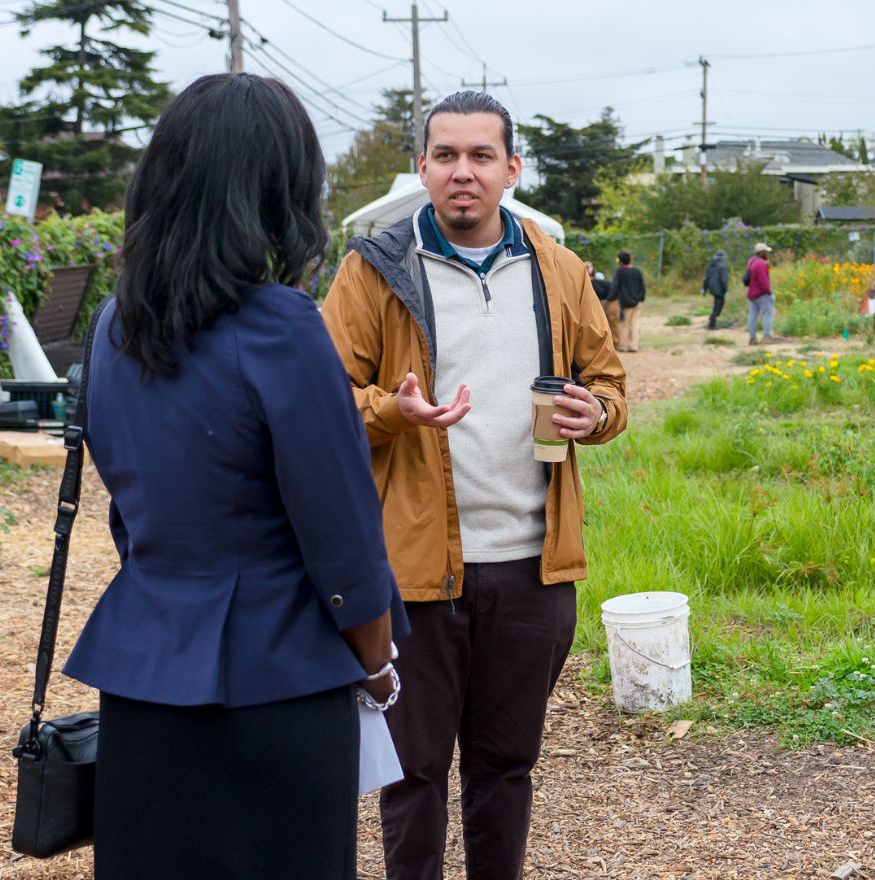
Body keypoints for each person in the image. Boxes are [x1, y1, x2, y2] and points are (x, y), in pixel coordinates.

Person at [59, 72, 406, 879]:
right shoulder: (280, 323)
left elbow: (128, 500)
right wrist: (378, 660)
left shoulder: (116, 322)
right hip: (280, 680)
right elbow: (341, 532)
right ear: (278, 188)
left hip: (144, 674)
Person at [318, 90, 629, 880]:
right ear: (421, 167)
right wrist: (394, 410)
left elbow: (609, 384)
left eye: (481, 156)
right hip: (415, 573)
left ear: (511, 169)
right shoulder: (372, 272)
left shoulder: (559, 271)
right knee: (413, 773)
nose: (464, 173)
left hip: (532, 568)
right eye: (446, 156)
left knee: (506, 767)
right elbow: (320, 406)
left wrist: (596, 414)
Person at [613, 251, 647, 353]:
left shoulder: (620, 272)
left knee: (624, 324)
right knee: (635, 323)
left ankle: (623, 345)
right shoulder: (637, 271)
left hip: (625, 303)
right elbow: (642, 286)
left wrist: (611, 298)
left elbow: (615, 286)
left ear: (620, 261)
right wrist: (640, 298)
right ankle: (634, 345)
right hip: (637, 302)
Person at [746, 242, 777, 345]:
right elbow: (763, 281)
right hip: (761, 293)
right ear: (762, 252)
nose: (767, 254)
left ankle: (752, 338)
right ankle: (767, 336)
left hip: (751, 293)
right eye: (766, 252)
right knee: (768, 314)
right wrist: (769, 292)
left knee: (752, 316)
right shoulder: (761, 264)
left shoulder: (751, 261)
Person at [702, 249, 731, 331]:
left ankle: (712, 321)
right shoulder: (722, 267)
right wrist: (725, 290)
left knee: (717, 305)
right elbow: (724, 280)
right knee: (719, 306)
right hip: (719, 289)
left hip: (712, 288)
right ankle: (712, 323)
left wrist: (705, 289)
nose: (725, 258)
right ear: (721, 257)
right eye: (724, 257)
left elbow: (706, 279)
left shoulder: (710, 266)